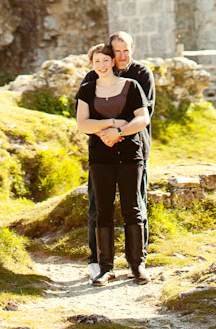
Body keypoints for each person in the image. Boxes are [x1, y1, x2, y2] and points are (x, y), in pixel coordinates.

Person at [78, 32, 155, 280]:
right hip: (101, 151)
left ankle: (137, 262)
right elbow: (83, 121)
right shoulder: (90, 83)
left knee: (135, 206)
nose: (120, 57)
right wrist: (108, 128)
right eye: (115, 52)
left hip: (134, 148)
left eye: (125, 51)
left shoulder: (139, 78)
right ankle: (100, 264)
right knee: (100, 208)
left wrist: (119, 132)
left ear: (132, 50)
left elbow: (142, 116)